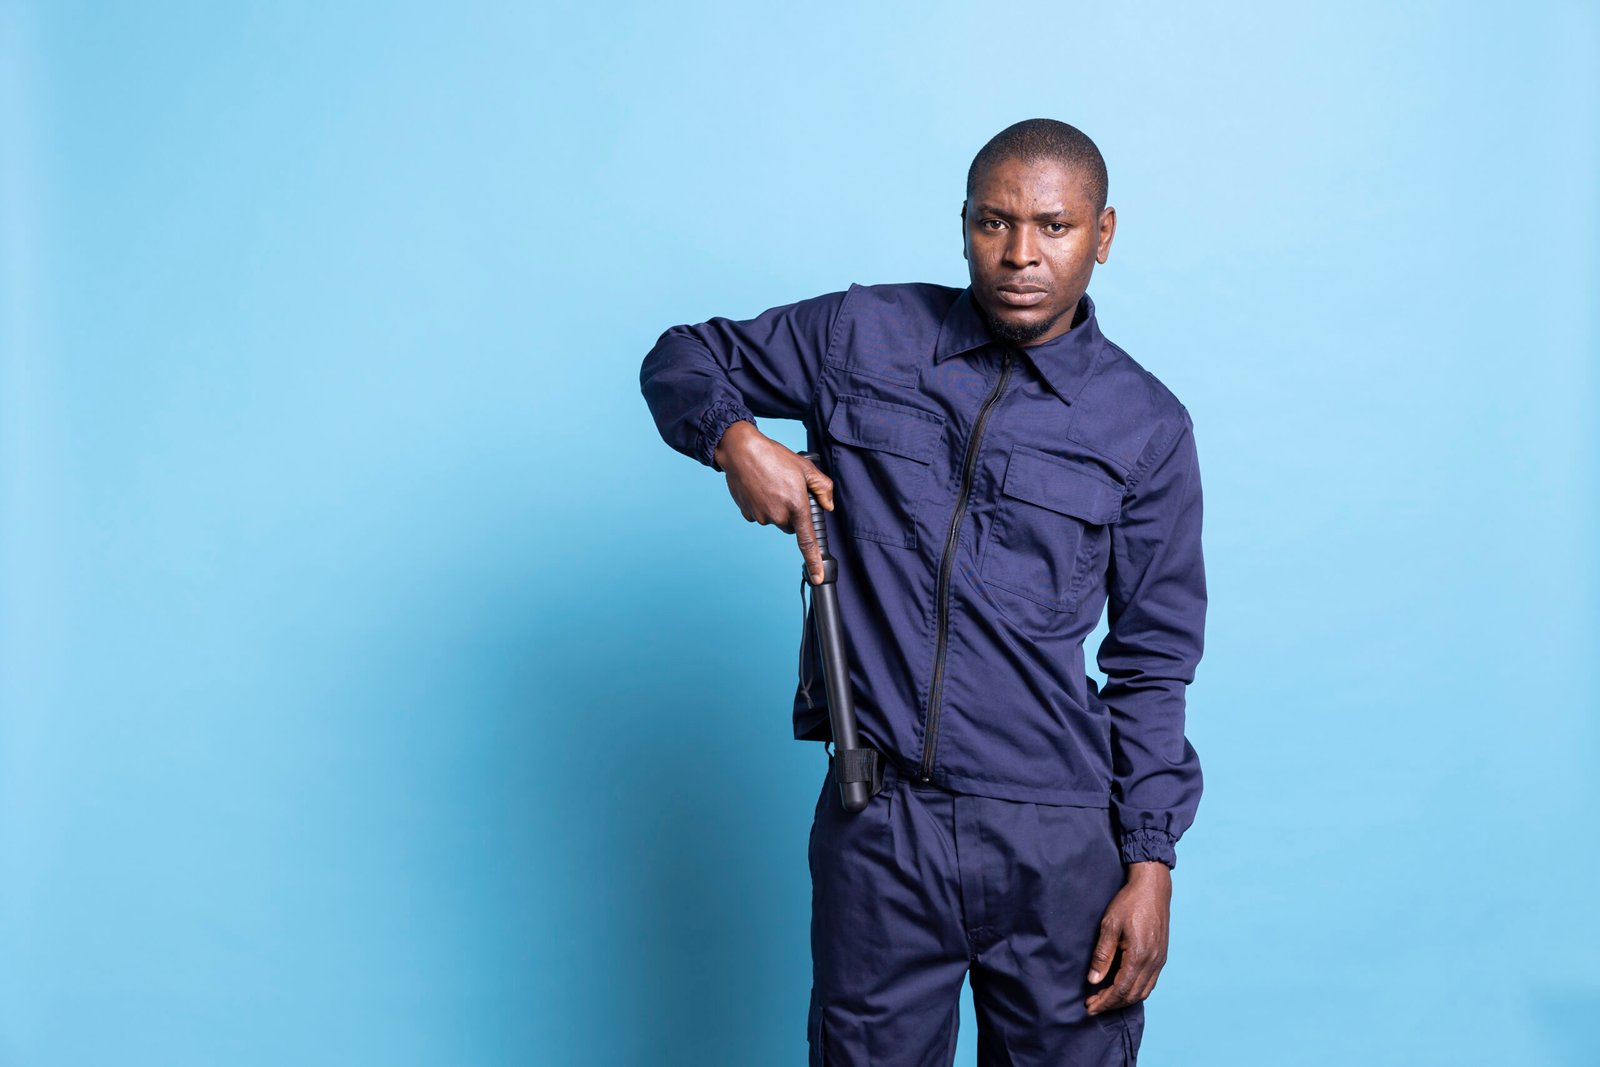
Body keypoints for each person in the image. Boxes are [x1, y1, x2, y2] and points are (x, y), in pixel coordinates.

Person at [639, 118, 1206, 1066]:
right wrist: (740, 442)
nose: (1021, 254)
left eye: (1054, 227)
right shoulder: (865, 334)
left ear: (1102, 234)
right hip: (882, 823)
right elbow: (683, 356)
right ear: (964, 225)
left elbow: (1153, 662)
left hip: (1059, 840)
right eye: (995, 223)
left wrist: (1151, 861)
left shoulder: (1145, 426)